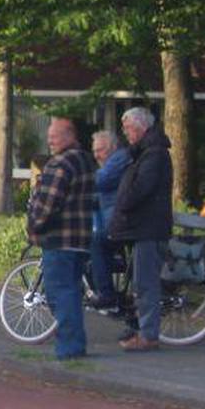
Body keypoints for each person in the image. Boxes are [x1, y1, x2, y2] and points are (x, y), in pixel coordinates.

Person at [25, 117, 97, 360]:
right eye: (49, 137)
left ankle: (70, 347)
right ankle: (73, 343)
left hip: (59, 238)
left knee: (60, 294)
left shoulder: (60, 164)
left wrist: (32, 226)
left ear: (69, 135)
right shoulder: (86, 160)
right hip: (81, 238)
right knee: (72, 292)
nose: (50, 141)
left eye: (54, 137)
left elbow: (47, 204)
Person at [108, 106, 174, 352]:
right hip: (144, 226)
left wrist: (124, 202)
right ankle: (143, 329)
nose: (125, 133)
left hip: (149, 227)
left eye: (128, 128)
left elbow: (143, 188)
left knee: (145, 283)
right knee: (140, 281)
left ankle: (148, 335)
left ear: (141, 127)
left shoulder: (153, 154)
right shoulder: (145, 152)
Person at [87, 129, 129, 311]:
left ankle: (106, 295)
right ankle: (105, 294)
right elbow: (100, 195)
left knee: (96, 243)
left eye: (100, 150)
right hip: (115, 221)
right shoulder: (111, 162)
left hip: (121, 223)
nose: (96, 155)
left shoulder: (118, 159)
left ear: (112, 147)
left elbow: (100, 182)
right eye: (94, 151)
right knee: (93, 246)